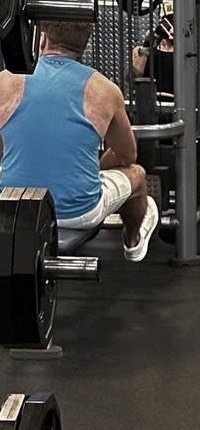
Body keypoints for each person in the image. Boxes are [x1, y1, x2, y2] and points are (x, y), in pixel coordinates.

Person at [0, 21, 159, 260]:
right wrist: (97, 169)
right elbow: (127, 156)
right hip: (78, 213)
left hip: (12, 206)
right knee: (137, 174)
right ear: (84, 45)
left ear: (41, 39)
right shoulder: (105, 90)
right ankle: (133, 241)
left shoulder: (6, 80)